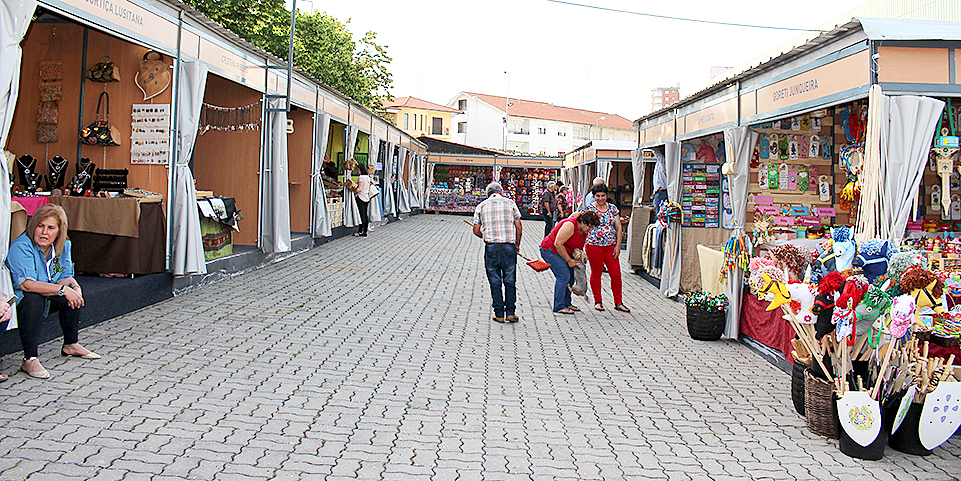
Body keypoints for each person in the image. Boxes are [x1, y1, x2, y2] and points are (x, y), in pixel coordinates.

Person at [7, 204, 100, 380]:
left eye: (51, 228)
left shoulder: (63, 245)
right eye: (40, 226)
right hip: (19, 300)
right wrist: (62, 290)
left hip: (47, 292)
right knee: (34, 299)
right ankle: (30, 359)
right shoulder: (21, 246)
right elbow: (27, 285)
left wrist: (75, 287)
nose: (44, 232)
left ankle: (70, 344)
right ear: (33, 226)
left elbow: (64, 276)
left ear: (59, 231)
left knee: (72, 293)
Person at [473, 182, 523, 323]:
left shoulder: (481, 206)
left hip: (491, 247)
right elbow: (519, 227)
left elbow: (476, 230)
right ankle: (511, 313)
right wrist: (517, 244)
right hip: (508, 246)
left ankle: (499, 314)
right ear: (501, 192)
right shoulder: (510, 203)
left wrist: (485, 235)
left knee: (495, 280)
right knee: (510, 280)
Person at [540, 211, 600, 314]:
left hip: (564, 252)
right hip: (550, 250)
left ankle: (567, 303)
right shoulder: (570, 225)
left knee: (571, 276)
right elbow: (558, 244)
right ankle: (559, 305)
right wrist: (569, 260)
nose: (590, 230)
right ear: (583, 223)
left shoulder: (582, 227)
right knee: (563, 276)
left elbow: (577, 213)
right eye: (590, 227)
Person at [585, 184, 630, 313]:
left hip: (610, 246)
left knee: (616, 274)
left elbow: (619, 227)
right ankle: (598, 301)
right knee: (596, 273)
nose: (600, 198)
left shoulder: (613, 208)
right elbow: (583, 226)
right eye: (598, 196)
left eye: (603, 195)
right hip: (594, 245)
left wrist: (618, 246)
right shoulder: (589, 209)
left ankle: (618, 302)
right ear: (594, 196)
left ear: (607, 195)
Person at [351, 163, 372, 237]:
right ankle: (364, 231)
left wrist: (353, 189)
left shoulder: (361, 178)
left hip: (360, 197)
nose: (357, 171)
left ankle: (360, 231)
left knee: (361, 215)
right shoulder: (367, 177)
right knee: (365, 215)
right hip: (366, 197)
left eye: (357, 170)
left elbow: (359, 189)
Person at [652, 148, 668, 213]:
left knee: (660, 214)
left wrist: (653, 148)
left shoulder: (663, 161)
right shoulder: (660, 163)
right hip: (659, 192)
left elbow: (659, 155)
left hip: (661, 192)